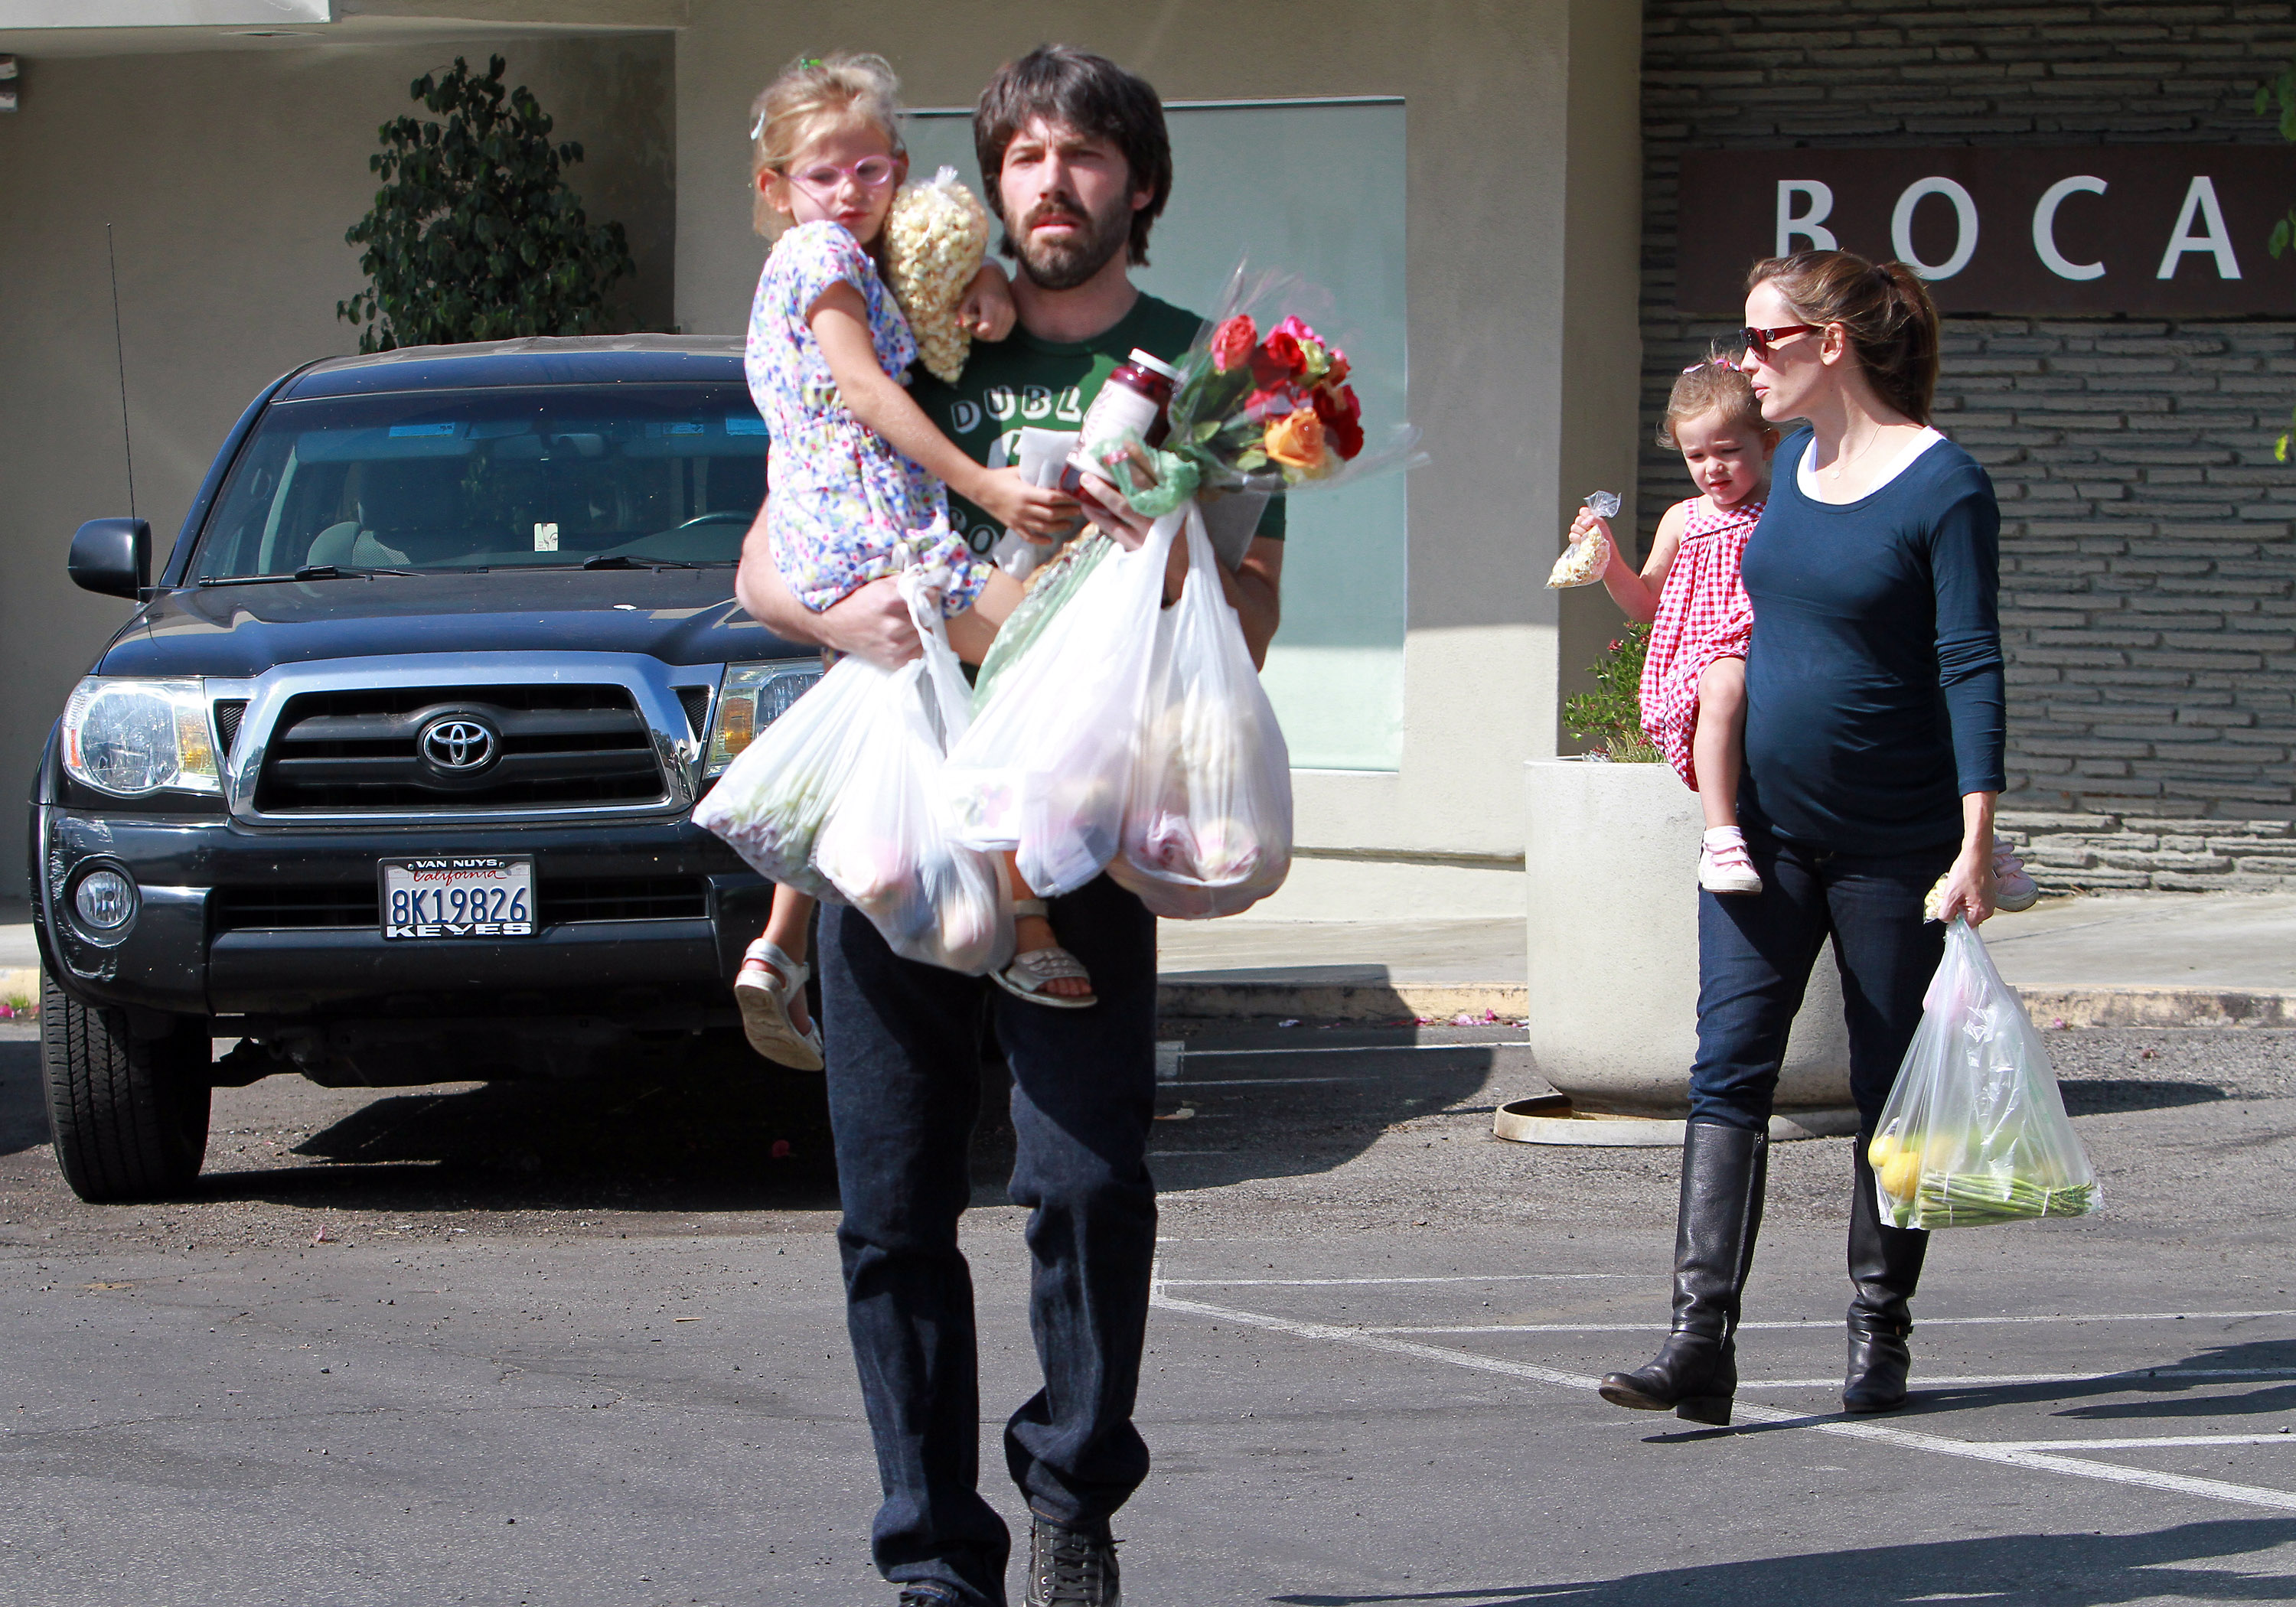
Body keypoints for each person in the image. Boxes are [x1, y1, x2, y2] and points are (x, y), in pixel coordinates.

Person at [734, 44, 1284, 1607]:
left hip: (1079, 832)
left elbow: (1253, 625)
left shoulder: (1209, 366)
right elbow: (763, 564)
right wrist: (859, 626)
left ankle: (1073, 1497)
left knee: (1088, 1185)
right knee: (892, 1206)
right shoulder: (916, 330)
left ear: (1142, 186)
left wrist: (1172, 539)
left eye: (1087, 156)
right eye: (1026, 154)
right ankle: (930, 1557)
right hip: (901, 815)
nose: (1053, 182)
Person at [1596, 249, 2028, 1429]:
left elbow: (1969, 662)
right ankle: (1699, 1343)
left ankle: (1879, 1329)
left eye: (1762, 342)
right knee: (1726, 1068)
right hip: (1768, 832)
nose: (1745, 363)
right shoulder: (1787, 469)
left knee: (1895, 1088)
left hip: (1897, 842)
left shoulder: (1945, 485)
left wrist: (1976, 840)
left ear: (1828, 346)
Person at [726, 51, 1094, 1073]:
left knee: (867, 720)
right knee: (1034, 650)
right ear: (777, 189)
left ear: (897, 167)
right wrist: (983, 486)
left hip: (827, 535)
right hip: (881, 528)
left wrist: (980, 282)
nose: (849, 194)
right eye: (822, 175)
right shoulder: (815, 261)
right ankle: (1024, 926)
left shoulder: (842, 260)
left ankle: (776, 945)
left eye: (870, 173)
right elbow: (865, 390)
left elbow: (920, 312)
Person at [1575, 358, 1777, 893]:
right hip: (1708, 656)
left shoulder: (1783, 507)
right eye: (1697, 455)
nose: (1713, 467)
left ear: (1769, 443)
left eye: (1729, 451)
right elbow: (1646, 604)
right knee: (1723, 685)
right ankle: (1721, 835)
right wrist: (1608, 560)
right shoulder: (1685, 519)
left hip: (1774, 644)